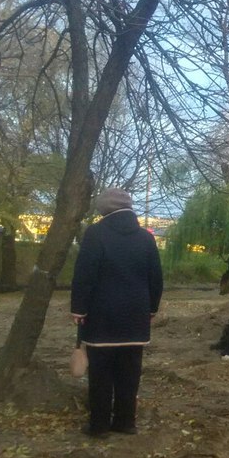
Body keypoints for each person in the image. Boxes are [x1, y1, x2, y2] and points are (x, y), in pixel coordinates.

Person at [70, 188, 164, 438]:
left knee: (100, 374)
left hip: (102, 315)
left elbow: (84, 275)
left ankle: (99, 425)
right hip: (136, 316)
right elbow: (156, 278)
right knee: (129, 373)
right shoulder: (146, 238)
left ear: (104, 209)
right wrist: (151, 308)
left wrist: (79, 308)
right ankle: (125, 421)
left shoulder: (96, 234)